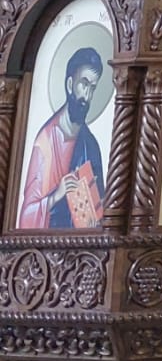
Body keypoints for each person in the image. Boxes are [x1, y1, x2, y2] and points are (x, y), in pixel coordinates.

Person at [18, 46, 106, 229]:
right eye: (84, 84)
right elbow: (26, 216)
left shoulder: (90, 144)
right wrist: (57, 195)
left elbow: (100, 207)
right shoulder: (45, 142)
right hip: (49, 242)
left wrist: (96, 220)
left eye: (93, 88)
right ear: (70, 84)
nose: (87, 95)